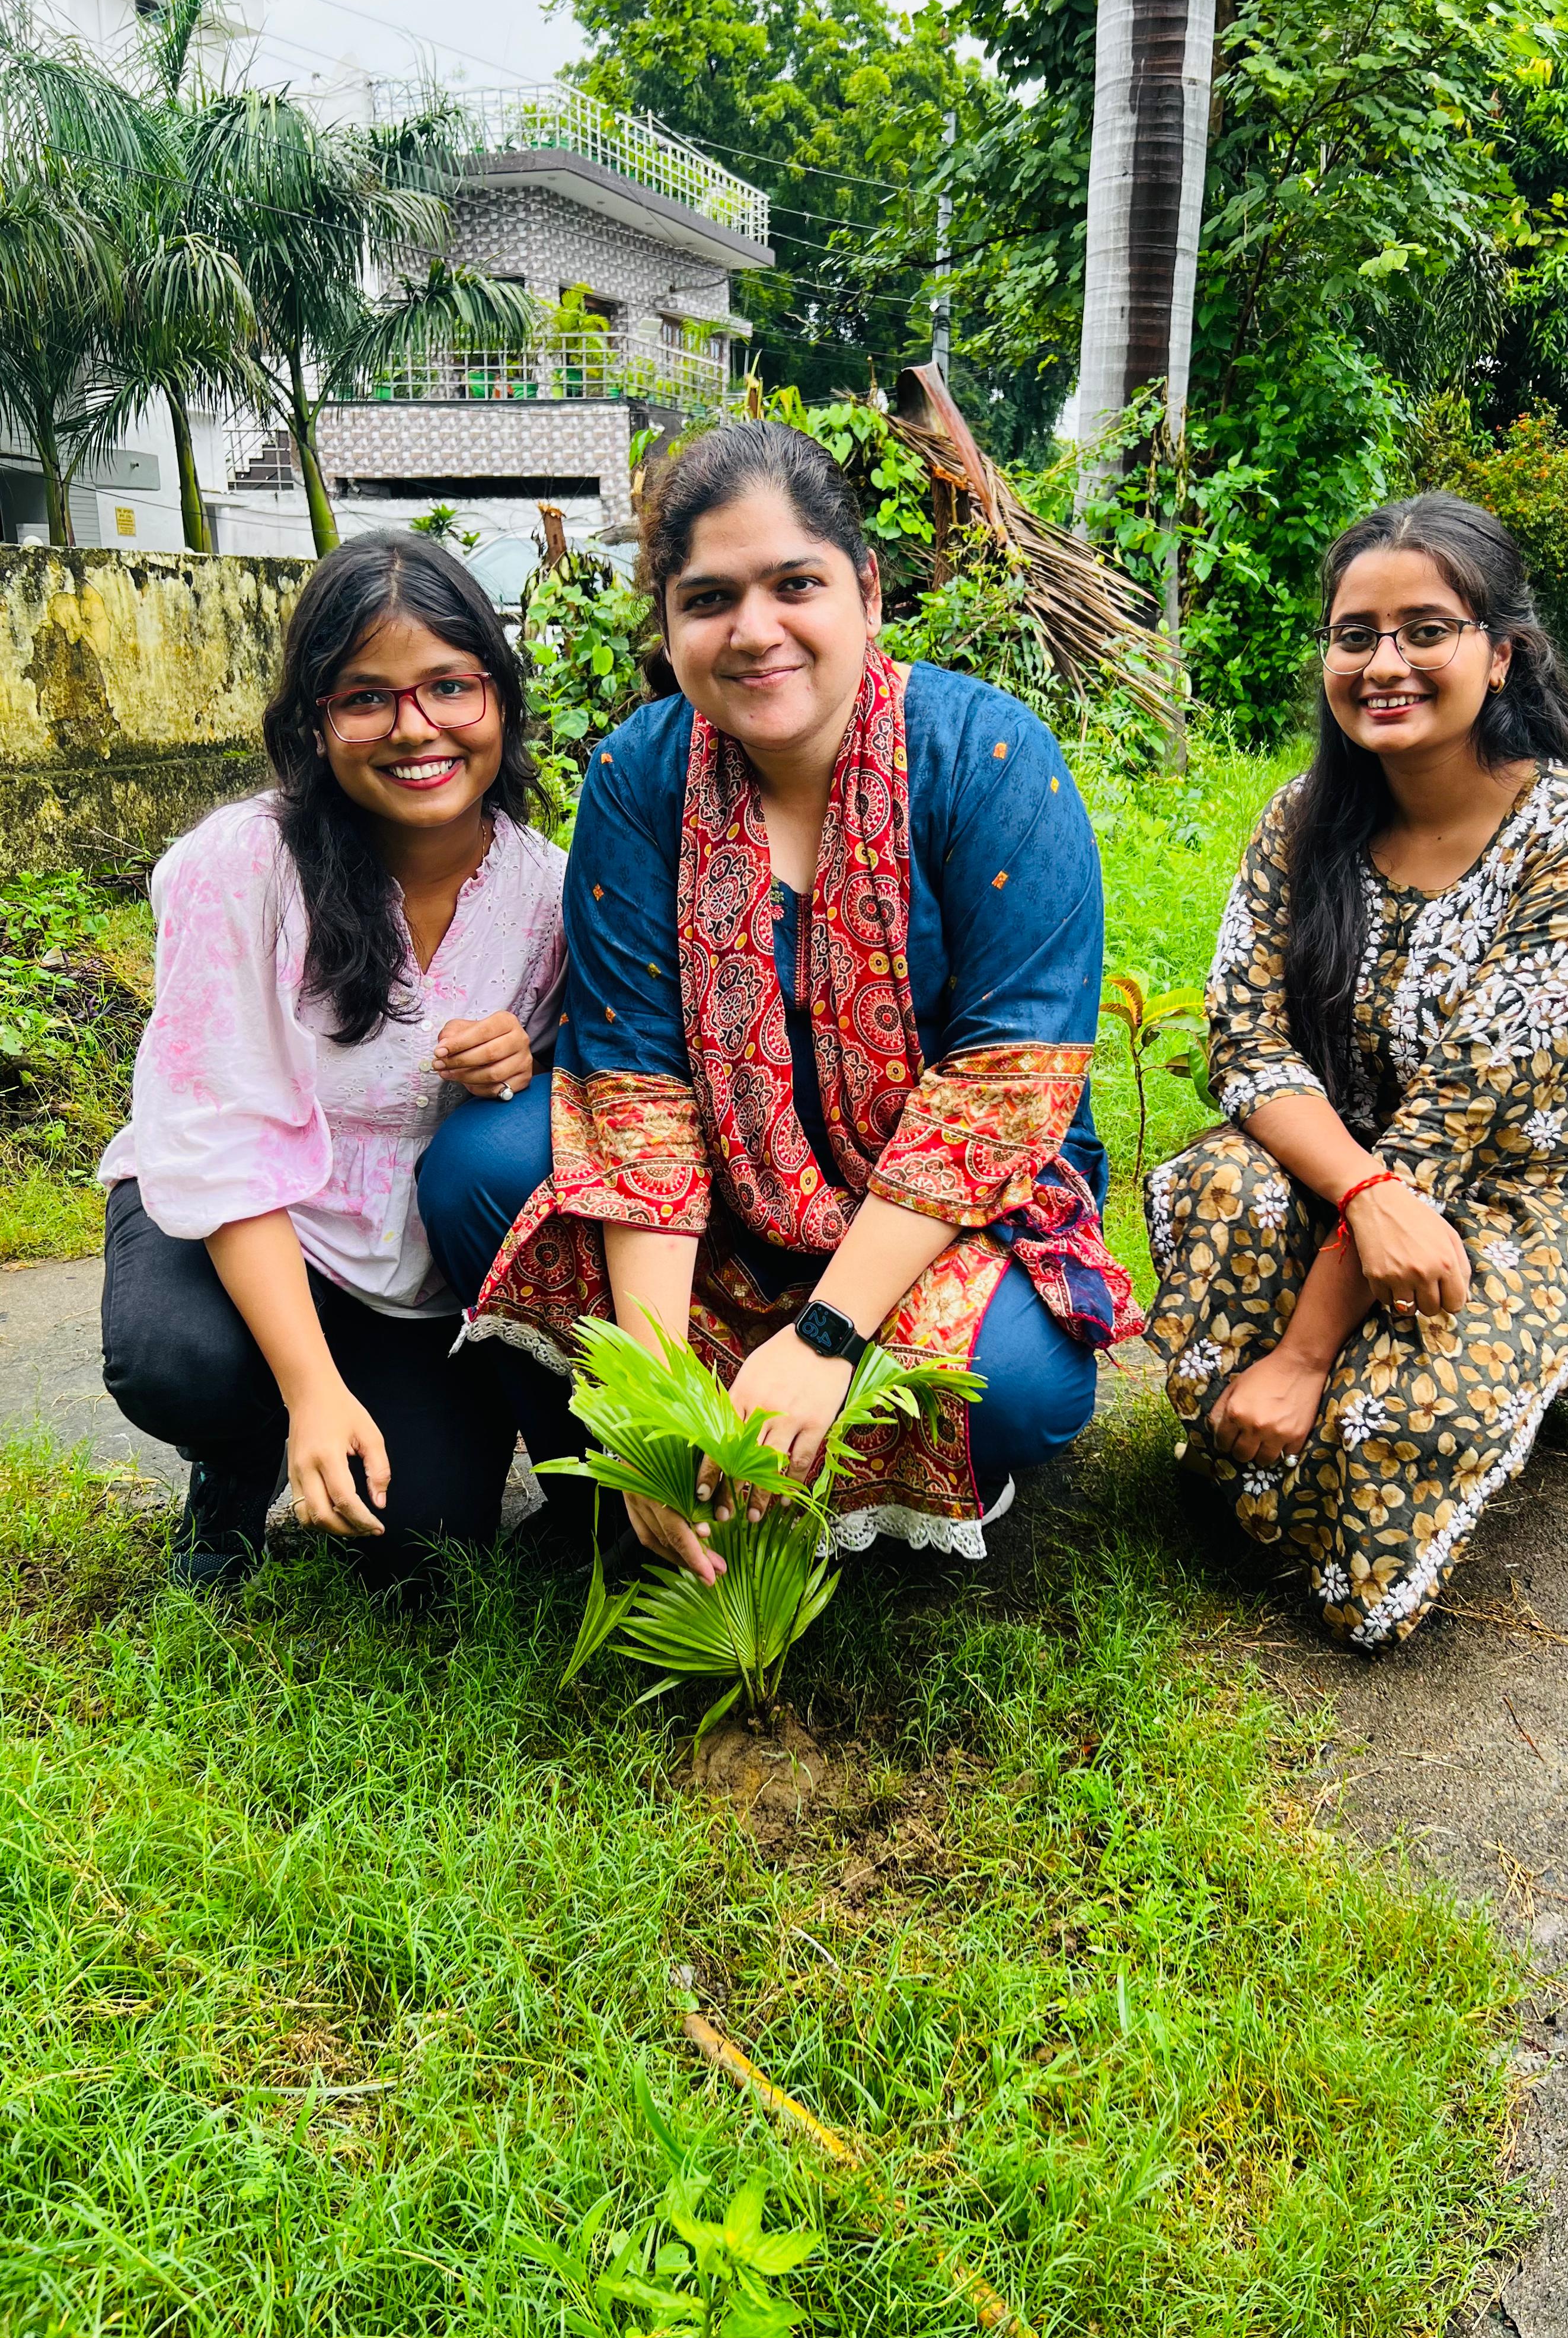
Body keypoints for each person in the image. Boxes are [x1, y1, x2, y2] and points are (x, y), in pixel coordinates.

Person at [417, 419, 1141, 1579]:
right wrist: (660, 1403)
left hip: (949, 1200)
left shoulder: (988, 759)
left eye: (793, 584)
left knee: (1013, 1382)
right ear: (669, 625)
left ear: (866, 591)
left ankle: (847, 1485)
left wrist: (822, 1334)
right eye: (709, 599)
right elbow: (637, 1088)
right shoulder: (642, 779)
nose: (755, 632)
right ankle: (632, 1499)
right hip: (727, 1189)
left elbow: (999, 1098)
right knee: (479, 1173)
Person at [1144, 493, 1568, 1649]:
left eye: (1426, 629)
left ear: (1502, 652)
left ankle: (1317, 1440)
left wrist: (1307, 1352)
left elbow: (1457, 1119)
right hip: (1353, 1174)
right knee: (1217, 1188)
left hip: (1523, 1197)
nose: (1386, 662)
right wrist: (1366, 1193)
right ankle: (1265, 1448)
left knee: (1384, 1422)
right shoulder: (1302, 819)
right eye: (1356, 634)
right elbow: (1246, 1042)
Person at [99, 532, 576, 1586]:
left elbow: (573, 1105)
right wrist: (311, 1389)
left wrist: (518, 1067)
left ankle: (365, 1417)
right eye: (367, 698)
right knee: (182, 1363)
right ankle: (234, 1460)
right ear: (316, 724)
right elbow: (223, 1137)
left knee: (428, 1547)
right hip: (235, 1219)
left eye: (451, 686)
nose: (417, 730)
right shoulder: (246, 865)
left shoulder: (550, 893)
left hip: (401, 1255)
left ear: (500, 695)